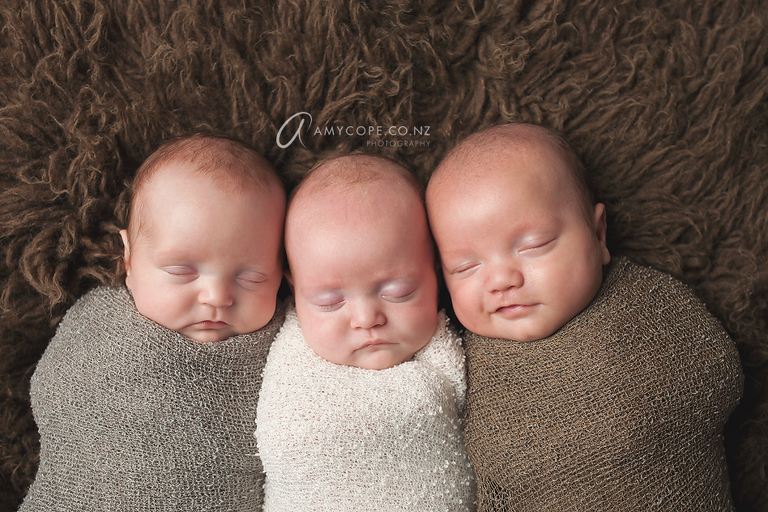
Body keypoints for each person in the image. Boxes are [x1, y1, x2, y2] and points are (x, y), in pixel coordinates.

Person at [426, 123, 744, 511]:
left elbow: (718, 374)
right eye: (465, 267)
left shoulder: (648, 305)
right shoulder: (453, 363)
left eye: (534, 245)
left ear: (598, 234)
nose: (501, 280)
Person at [21, 134, 287, 511]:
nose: (216, 296)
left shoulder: (288, 348)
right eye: (181, 271)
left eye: (251, 278)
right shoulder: (98, 325)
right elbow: (56, 392)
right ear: (128, 258)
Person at [255, 154, 476, 511]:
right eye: (328, 301)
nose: (366, 318)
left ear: (436, 272)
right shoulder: (282, 344)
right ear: (293, 289)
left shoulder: (455, 350)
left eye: (397, 292)